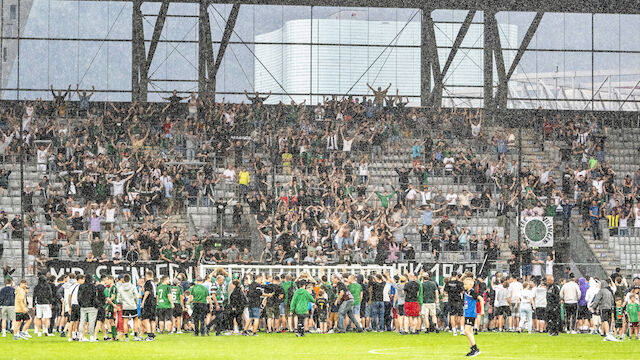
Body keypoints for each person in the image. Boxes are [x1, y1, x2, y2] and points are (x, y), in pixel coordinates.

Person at [462, 273, 483, 357]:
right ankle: (472, 349)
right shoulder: (467, 292)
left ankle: (475, 348)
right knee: (469, 331)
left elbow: (481, 299)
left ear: (470, 285)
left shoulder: (472, 292)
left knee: (467, 331)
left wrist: (481, 310)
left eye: (465, 284)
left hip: (471, 314)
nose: (464, 285)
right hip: (467, 314)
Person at [116, 274, 140, 341]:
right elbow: (137, 296)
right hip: (133, 306)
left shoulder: (120, 288)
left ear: (123, 279)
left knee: (125, 322)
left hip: (125, 306)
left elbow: (118, 298)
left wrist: (122, 302)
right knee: (135, 320)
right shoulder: (132, 286)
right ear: (130, 279)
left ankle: (126, 337)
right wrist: (136, 303)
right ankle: (135, 336)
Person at [78, 275, 98, 342]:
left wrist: (81, 304)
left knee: (82, 321)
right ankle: (92, 337)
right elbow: (94, 296)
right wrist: (95, 305)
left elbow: (79, 296)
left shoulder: (81, 286)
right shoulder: (92, 286)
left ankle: (80, 336)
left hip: (83, 306)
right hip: (91, 306)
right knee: (91, 322)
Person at [140, 270, 157, 341]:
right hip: (153, 302)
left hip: (148, 302)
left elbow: (147, 292)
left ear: (146, 276)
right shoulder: (154, 283)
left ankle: (149, 335)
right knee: (152, 319)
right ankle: (152, 335)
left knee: (146, 319)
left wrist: (143, 301)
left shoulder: (148, 282)